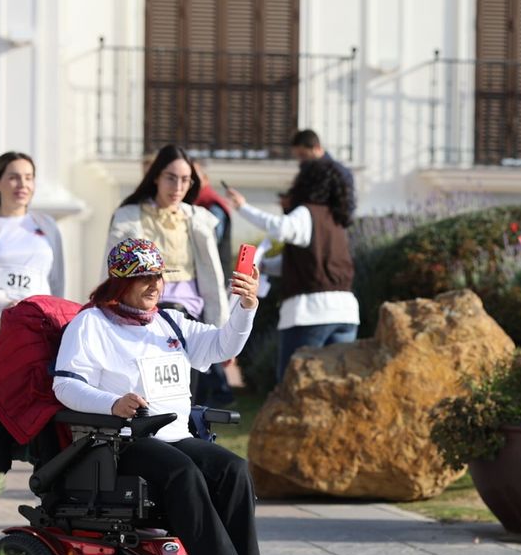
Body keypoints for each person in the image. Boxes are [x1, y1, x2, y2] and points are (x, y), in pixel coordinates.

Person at [52, 237, 278, 555]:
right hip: (121, 441)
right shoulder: (91, 324)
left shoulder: (170, 321)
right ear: (120, 282)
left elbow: (221, 346)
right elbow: (65, 385)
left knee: (233, 469)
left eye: (158, 276)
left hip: (174, 435)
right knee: (182, 472)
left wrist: (246, 307)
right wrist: (112, 403)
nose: (155, 284)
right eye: (144, 277)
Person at [224, 157, 358, 382]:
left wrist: (242, 208)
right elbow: (306, 263)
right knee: (334, 390)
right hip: (346, 313)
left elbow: (280, 228)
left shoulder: (307, 213)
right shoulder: (338, 219)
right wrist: (264, 265)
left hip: (310, 314)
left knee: (293, 387)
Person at [0, 152, 66, 378]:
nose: (22, 184)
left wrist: (55, 317)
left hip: (38, 327)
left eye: (28, 177)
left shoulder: (47, 226)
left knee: (33, 395)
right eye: (14, 177)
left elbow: (56, 281)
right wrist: (4, 302)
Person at [105, 145, 228, 328]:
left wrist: (221, 330)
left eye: (185, 180)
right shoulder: (127, 218)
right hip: (140, 314)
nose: (178, 187)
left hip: (190, 316)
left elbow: (214, 280)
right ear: (156, 177)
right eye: (171, 178)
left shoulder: (199, 220)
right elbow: (110, 273)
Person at [288, 129, 355, 213]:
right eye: (298, 157)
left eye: (303, 155)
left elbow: (346, 208)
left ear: (317, 148)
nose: (300, 160)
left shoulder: (339, 172)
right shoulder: (306, 172)